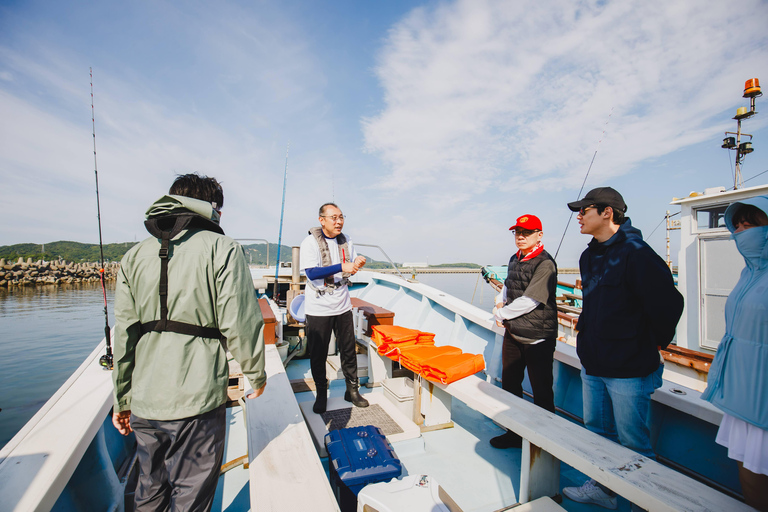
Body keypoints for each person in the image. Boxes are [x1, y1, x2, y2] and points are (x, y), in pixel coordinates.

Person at [111, 173, 267, 512]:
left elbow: (123, 334)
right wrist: (256, 374)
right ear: (211, 208)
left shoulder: (133, 257)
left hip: (145, 400)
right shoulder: (223, 249)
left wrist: (122, 398)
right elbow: (240, 321)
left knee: (148, 489)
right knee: (191, 496)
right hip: (197, 401)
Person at [561, 187, 683, 510]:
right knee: (597, 433)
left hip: (629, 371)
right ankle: (605, 489)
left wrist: (652, 343)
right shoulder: (589, 256)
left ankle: (643, 503)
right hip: (594, 364)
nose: (579, 216)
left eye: (584, 210)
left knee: (634, 444)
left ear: (607, 213)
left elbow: (670, 305)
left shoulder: (637, 254)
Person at [701, 196, 768, 511]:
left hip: (763, 396)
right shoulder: (748, 274)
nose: (742, 231)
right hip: (743, 395)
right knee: (749, 472)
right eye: (738, 225)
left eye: (752, 223)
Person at [489, 214, 558, 449]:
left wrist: (501, 314)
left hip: (538, 336)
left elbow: (532, 300)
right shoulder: (514, 258)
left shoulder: (545, 263)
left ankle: (544, 439)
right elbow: (509, 285)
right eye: (517, 232)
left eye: (526, 232)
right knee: (510, 384)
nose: (520, 236)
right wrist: (500, 300)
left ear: (539, 235)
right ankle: (514, 433)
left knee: (541, 390)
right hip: (514, 333)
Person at [300, 202, 368, 414]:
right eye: (334, 218)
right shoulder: (310, 242)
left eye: (341, 217)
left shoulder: (346, 240)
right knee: (318, 353)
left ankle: (352, 390)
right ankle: (322, 393)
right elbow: (311, 273)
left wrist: (357, 262)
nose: (339, 222)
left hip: (342, 303)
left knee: (348, 350)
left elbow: (350, 267)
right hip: (319, 306)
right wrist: (341, 266)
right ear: (322, 220)